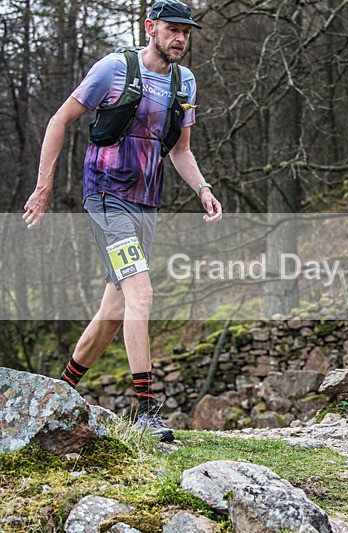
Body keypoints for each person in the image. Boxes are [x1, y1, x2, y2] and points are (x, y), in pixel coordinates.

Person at [22, 0, 221, 442]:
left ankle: (60, 393)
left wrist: (203, 189)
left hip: (147, 203)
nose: (180, 39)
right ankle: (146, 412)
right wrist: (43, 186)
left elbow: (180, 149)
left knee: (113, 310)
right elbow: (59, 121)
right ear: (151, 27)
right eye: (172, 29)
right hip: (108, 199)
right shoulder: (113, 68)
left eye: (186, 32)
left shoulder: (185, 82)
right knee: (142, 294)